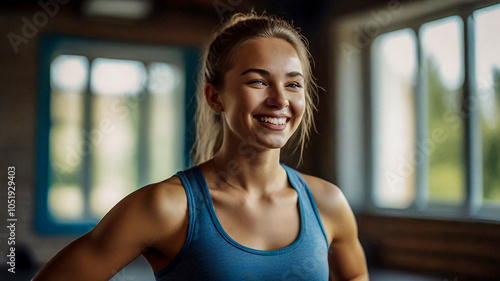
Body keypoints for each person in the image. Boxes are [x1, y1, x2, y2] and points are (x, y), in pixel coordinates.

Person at [33, 12, 368, 281]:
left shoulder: (327, 204)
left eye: (293, 84)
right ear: (215, 96)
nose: (280, 99)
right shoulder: (166, 207)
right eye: (258, 81)